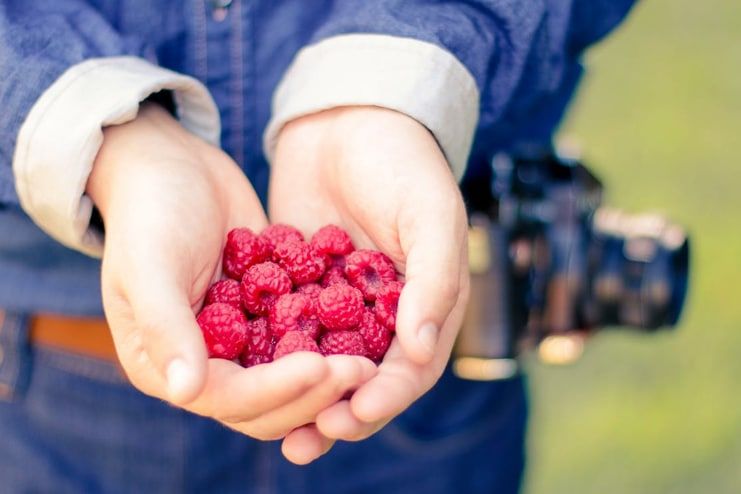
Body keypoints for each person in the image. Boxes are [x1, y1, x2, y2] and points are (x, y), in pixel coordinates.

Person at [0, 1, 635, 492]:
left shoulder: (330, 290)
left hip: (432, 379)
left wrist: (392, 83)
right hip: (47, 393)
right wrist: (106, 134)